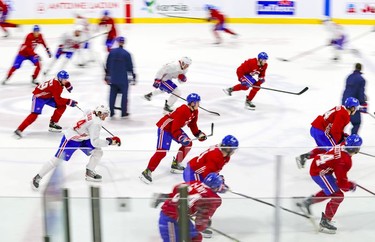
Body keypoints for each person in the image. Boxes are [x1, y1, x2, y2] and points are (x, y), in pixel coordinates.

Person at [31, 104, 121, 189]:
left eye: (107, 114)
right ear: (99, 113)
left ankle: (90, 172)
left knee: (98, 152)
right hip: (71, 139)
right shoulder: (95, 124)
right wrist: (109, 141)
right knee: (57, 160)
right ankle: (38, 176)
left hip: (83, 137)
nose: (106, 116)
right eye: (105, 114)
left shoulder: (91, 112)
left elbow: (86, 111)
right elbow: (95, 142)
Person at [296, 134, 362, 234]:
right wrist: (351, 185)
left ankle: (308, 202)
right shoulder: (344, 161)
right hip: (319, 172)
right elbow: (342, 184)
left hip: (321, 167)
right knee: (338, 195)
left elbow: (325, 150)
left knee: (331, 190)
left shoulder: (343, 144)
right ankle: (325, 221)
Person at [140, 93, 207, 184]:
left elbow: (192, 124)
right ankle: (147, 171)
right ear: (192, 103)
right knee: (162, 151)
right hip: (166, 128)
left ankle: (176, 164)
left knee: (188, 144)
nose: (199, 104)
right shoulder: (183, 110)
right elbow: (174, 128)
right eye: (197, 102)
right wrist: (181, 137)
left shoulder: (195, 111)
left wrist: (198, 134)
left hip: (174, 128)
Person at [182, 135, 238, 238]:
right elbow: (208, 179)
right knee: (203, 195)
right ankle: (191, 219)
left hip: (200, 173)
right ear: (228, 148)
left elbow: (213, 174)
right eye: (233, 149)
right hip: (193, 173)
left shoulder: (225, 155)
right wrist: (219, 186)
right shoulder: (216, 155)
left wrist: (220, 182)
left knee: (208, 196)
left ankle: (201, 220)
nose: (234, 151)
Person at [154, 173, 223, 242]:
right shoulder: (212, 198)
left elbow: (176, 188)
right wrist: (204, 224)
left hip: (173, 214)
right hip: (170, 218)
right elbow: (201, 222)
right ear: (216, 187)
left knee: (196, 237)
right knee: (193, 238)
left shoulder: (196, 182)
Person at [296, 97, 360, 169]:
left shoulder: (341, 108)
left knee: (324, 148)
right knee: (335, 150)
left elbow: (337, 127)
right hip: (321, 131)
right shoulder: (344, 114)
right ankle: (321, 168)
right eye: (356, 108)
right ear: (352, 108)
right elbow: (335, 130)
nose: (356, 110)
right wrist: (340, 141)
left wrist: (343, 135)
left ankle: (304, 156)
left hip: (316, 129)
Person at [13, 70, 77, 139]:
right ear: (60, 79)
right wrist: (69, 101)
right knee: (34, 114)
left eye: (66, 79)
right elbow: (58, 100)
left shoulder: (59, 81)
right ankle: (19, 130)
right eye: (64, 79)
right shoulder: (56, 86)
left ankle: (53, 123)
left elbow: (62, 86)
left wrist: (67, 85)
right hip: (38, 97)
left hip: (48, 96)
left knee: (62, 106)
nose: (66, 81)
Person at [105, 36, 136, 118]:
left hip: (113, 77)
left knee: (112, 94)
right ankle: (123, 112)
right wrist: (133, 76)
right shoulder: (126, 53)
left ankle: (111, 112)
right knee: (124, 95)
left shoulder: (111, 52)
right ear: (124, 42)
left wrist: (107, 75)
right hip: (123, 78)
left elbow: (107, 64)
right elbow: (130, 67)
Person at [342, 63, 367, 134]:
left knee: (342, 122)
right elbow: (360, 92)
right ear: (361, 69)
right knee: (356, 123)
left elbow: (350, 89)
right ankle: (352, 141)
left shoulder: (349, 77)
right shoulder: (361, 79)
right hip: (353, 105)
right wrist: (363, 103)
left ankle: (339, 139)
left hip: (345, 102)